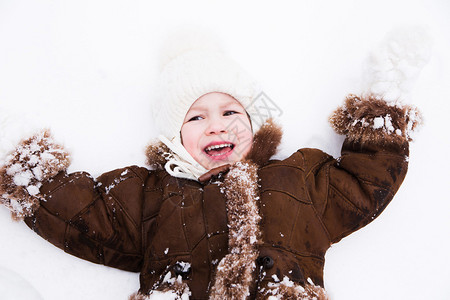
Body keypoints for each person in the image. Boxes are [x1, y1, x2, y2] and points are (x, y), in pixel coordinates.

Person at [0, 29, 429, 299]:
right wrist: (23, 168)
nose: (216, 127)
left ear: (254, 125)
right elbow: (83, 217)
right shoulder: (150, 195)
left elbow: (362, 184)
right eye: (195, 117)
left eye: (230, 113)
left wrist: (381, 108)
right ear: (174, 138)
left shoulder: (295, 179)